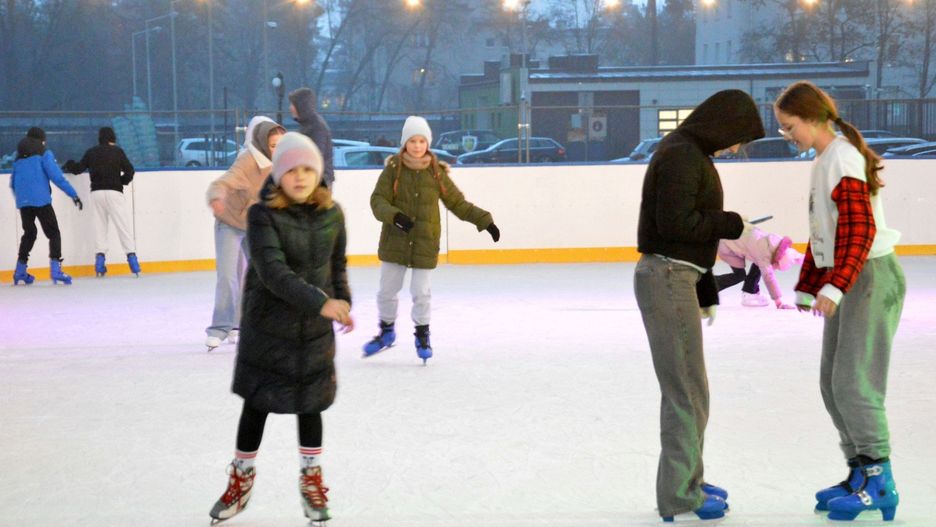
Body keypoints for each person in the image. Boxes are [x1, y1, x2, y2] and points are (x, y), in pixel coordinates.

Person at [775, 81, 904, 522]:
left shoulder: (844, 158)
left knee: (855, 384)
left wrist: (834, 287)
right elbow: (824, 233)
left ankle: (880, 482)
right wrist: (809, 284)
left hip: (869, 278)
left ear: (812, 119)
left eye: (789, 127)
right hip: (850, 276)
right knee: (833, 384)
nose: (787, 135)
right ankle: (858, 473)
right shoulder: (825, 159)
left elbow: (859, 230)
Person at [633, 89, 765, 522]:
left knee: (693, 391)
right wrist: (733, 223)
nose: (735, 149)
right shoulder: (682, 156)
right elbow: (676, 224)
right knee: (685, 393)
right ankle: (679, 495)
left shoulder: (689, 153)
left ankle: (689, 478)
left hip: (678, 277)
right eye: (737, 139)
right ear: (723, 124)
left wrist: (705, 290)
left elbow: (686, 234)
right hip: (668, 278)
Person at [208, 132, 353, 524]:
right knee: (257, 405)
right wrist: (324, 303)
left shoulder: (332, 214)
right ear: (279, 175)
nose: (301, 177)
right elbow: (273, 272)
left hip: (313, 331)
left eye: (309, 169)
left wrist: (343, 302)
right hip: (268, 329)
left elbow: (336, 267)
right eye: (292, 170)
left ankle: (311, 480)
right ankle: (241, 479)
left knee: (311, 406)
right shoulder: (262, 215)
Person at [363, 115, 499, 364]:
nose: (417, 146)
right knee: (387, 291)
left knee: (421, 292)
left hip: (425, 241)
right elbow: (377, 201)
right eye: (412, 140)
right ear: (405, 143)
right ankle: (386, 332)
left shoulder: (436, 173)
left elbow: (457, 203)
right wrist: (395, 217)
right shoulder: (393, 170)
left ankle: (422, 335)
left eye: (422, 141)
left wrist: (485, 221)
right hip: (396, 240)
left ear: (428, 143)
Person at [204, 117, 286, 351]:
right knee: (229, 276)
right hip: (229, 221)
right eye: (272, 146)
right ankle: (220, 327)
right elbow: (223, 182)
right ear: (262, 144)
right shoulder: (248, 161)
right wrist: (216, 198)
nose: (277, 150)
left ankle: (248, 325)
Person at [62, 127, 140, 277]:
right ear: (113, 138)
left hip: (96, 193)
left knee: (100, 227)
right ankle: (132, 260)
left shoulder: (92, 152)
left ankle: (100, 262)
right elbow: (130, 170)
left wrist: (68, 164)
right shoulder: (118, 151)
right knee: (122, 226)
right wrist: (121, 181)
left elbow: (78, 168)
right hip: (114, 192)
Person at [10, 127, 83, 285]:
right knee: (53, 233)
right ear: (41, 139)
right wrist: (73, 194)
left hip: (24, 202)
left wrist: (22, 199)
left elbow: (13, 183)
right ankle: (56, 270)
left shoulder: (17, 158)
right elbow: (57, 177)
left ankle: (20, 271)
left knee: (29, 233)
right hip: (41, 200)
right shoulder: (44, 153)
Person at [715, 226, 804, 308]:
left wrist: (814, 264)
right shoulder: (764, 255)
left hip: (737, 237)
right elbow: (769, 278)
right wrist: (779, 303)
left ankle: (750, 291)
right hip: (727, 246)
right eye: (777, 266)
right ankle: (709, 286)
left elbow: (797, 257)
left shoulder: (778, 243)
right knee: (739, 275)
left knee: (759, 263)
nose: (775, 268)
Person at [288, 87, 335, 188]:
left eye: (293, 104)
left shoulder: (316, 126)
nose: (290, 108)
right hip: (312, 180)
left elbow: (316, 156)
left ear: (301, 106)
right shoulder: (308, 125)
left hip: (318, 183)